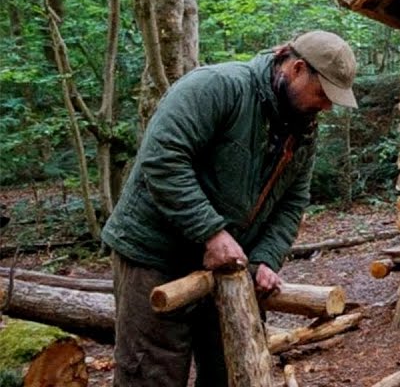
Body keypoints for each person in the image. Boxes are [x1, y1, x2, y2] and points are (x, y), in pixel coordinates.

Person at [101, 30, 358, 387]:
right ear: (297, 69)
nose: (327, 106)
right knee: (152, 373)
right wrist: (211, 232)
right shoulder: (216, 87)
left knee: (232, 366)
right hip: (155, 255)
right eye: (323, 94)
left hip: (231, 265)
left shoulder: (302, 128)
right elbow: (163, 161)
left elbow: (293, 200)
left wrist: (266, 257)